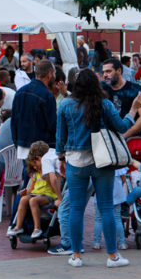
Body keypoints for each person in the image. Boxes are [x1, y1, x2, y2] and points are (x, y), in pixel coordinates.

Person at [56, 68, 133, 268]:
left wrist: (61, 158)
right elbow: (122, 127)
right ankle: (113, 256)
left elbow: (60, 137)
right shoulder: (104, 104)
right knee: (106, 207)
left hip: (75, 161)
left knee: (76, 208)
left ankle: (76, 255)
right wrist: (133, 111)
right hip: (102, 160)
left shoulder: (65, 105)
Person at [5, 140, 60, 239]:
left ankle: (37, 228)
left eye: (36, 162)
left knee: (33, 201)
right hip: (36, 193)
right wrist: (26, 192)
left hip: (48, 195)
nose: (34, 165)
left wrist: (47, 179)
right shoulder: (35, 173)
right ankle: (18, 226)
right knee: (23, 199)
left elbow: (55, 188)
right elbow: (31, 187)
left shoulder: (50, 171)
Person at [11, 59, 57, 151]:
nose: (55, 76)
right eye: (54, 73)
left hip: (22, 145)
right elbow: (52, 125)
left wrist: (17, 142)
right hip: (41, 148)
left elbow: (14, 121)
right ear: (49, 74)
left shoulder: (20, 92)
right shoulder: (47, 96)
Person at [101, 58, 141, 138]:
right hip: (107, 139)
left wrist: (125, 135)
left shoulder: (135, 90)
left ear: (119, 71)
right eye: (103, 72)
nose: (105, 75)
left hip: (130, 140)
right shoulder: (101, 89)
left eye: (108, 71)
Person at [92, 164, 130, 251]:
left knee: (98, 219)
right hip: (116, 194)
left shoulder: (98, 162)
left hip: (101, 193)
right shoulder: (118, 162)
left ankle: (97, 242)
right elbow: (123, 179)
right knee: (117, 219)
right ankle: (122, 243)